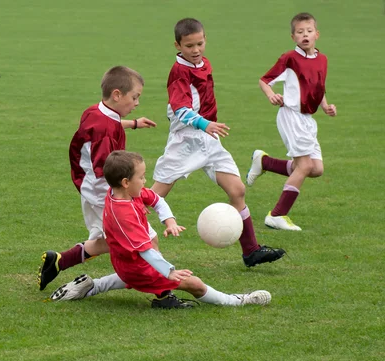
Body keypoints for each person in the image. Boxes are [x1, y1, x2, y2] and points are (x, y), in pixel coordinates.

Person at [51, 151, 272, 309]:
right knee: (193, 284)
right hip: (137, 266)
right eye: (142, 177)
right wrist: (169, 271)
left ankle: (90, 286)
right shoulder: (123, 213)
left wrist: (170, 221)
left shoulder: (122, 192)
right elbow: (146, 252)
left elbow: (156, 199)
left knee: (140, 264)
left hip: (126, 262)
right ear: (126, 182)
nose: (145, 181)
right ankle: (238, 300)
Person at [150, 18, 285, 267]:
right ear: (177, 45)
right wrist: (205, 123)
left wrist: (208, 127)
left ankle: (251, 251)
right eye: (189, 46)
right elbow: (179, 108)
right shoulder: (179, 71)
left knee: (237, 190)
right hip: (185, 141)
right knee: (154, 196)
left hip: (210, 139)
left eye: (200, 43)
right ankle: (120, 230)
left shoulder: (204, 63)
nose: (196, 50)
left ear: (205, 39)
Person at [37, 66, 157, 291]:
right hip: (103, 190)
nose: (137, 103)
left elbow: (107, 125)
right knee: (146, 239)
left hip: (89, 187)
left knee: (113, 241)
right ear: (117, 95)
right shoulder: (105, 131)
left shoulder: (95, 111)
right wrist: (130, 200)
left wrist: (133, 123)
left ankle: (60, 261)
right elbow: (106, 170)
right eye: (135, 97)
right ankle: (163, 292)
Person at [246, 12, 337, 231]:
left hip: (307, 119)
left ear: (317, 34)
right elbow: (264, 80)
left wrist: (325, 106)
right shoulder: (290, 59)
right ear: (293, 36)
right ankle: (277, 215)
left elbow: (318, 86)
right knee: (304, 165)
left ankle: (264, 162)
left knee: (315, 169)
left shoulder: (322, 59)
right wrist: (271, 95)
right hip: (291, 116)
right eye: (300, 32)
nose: (305, 35)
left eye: (308, 31)